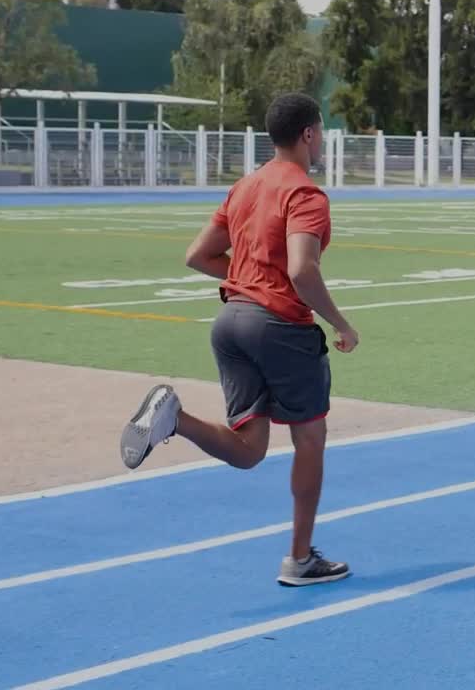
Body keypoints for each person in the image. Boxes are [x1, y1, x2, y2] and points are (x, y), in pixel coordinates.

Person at [118, 92, 361, 587]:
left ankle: (175, 418)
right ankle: (299, 559)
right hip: (280, 329)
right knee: (310, 439)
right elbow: (301, 269)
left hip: (230, 324)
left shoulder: (245, 188)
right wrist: (339, 322)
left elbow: (196, 255)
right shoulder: (305, 194)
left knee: (250, 450)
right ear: (309, 135)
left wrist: (247, 280)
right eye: (320, 135)